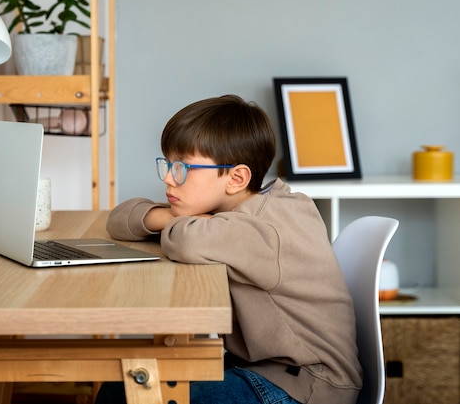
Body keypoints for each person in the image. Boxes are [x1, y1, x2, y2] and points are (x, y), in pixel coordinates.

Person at [97, 94, 362, 404]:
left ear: (236, 178)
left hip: (305, 387)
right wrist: (175, 216)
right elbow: (119, 219)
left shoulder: (268, 224)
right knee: (120, 387)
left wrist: (183, 222)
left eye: (182, 167)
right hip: (267, 370)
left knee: (128, 396)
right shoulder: (233, 213)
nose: (169, 178)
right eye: (168, 164)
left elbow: (187, 241)